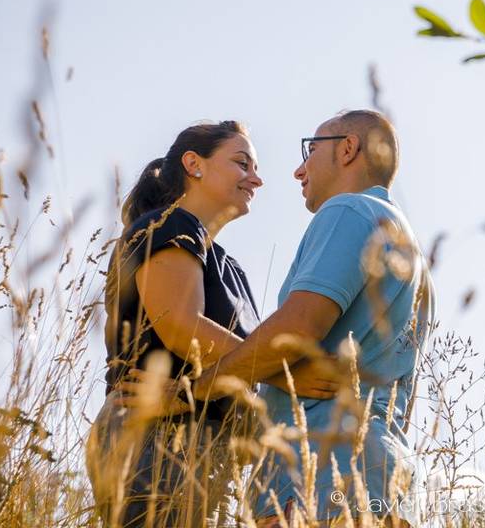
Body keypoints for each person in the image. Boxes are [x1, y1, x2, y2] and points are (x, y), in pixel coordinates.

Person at [187, 109, 434, 525]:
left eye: (310, 151)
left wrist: (198, 388)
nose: (299, 171)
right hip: (386, 474)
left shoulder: (349, 212)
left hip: (320, 477)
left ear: (348, 149)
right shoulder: (409, 251)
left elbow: (297, 328)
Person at [87, 120, 332, 527]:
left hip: (206, 446)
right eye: (242, 163)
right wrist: (282, 374)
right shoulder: (171, 225)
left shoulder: (224, 262)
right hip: (158, 434)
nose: (257, 179)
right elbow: (181, 326)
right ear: (193, 164)